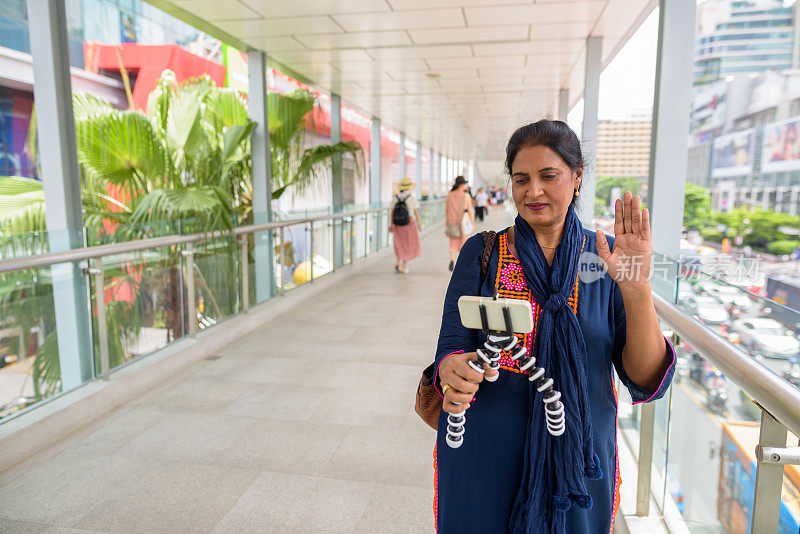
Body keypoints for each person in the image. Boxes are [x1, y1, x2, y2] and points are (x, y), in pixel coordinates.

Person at [432, 120, 675, 533]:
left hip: (578, 465)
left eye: (549, 176)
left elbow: (645, 377)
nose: (533, 192)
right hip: (484, 456)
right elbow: (451, 348)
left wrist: (637, 288)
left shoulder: (606, 259)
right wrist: (451, 370)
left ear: (577, 176)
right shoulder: (482, 252)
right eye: (521, 179)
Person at [389, 177, 422, 274]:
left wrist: (391, 224)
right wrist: (419, 224)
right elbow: (416, 212)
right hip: (408, 224)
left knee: (399, 243)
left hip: (397, 224)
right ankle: (403, 267)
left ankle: (398, 262)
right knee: (407, 244)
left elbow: (391, 212)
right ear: (409, 187)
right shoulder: (411, 198)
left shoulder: (396, 197)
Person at [445, 176, 475, 272]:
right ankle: (461, 264)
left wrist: (447, 221)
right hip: (463, 223)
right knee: (464, 242)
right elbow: (470, 210)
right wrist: (473, 223)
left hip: (452, 221)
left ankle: (452, 259)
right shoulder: (466, 195)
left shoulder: (449, 195)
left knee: (453, 241)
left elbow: (447, 209)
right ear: (462, 185)